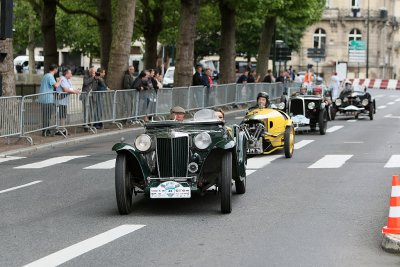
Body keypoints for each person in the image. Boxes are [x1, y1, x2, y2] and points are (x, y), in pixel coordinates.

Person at [39, 64, 62, 136]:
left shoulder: (46, 75)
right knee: (47, 115)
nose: (57, 70)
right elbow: (56, 85)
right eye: (57, 69)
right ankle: (45, 131)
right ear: (55, 69)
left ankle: (46, 130)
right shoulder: (50, 76)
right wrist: (60, 80)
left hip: (44, 98)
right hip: (47, 99)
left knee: (46, 115)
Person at [55, 67, 79, 134]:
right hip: (61, 100)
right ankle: (60, 129)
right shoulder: (62, 79)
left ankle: (62, 129)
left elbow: (70, 88)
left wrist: (75, 90)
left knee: (63, 115)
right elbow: (65, 89)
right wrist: (74, 92)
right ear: (66, 74)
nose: (71, 75)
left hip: (65, 101)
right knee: (61, 115)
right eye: (70, 73)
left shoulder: (68, 80)